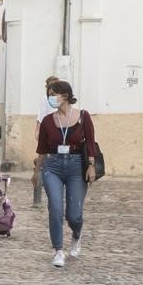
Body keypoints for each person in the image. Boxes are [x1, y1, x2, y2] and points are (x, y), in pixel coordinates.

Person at [32, 80, 97, 268]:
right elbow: (42, 149)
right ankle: (58, 250)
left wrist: (91, 165)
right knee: (55, 208)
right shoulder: (47, 121)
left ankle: (77, 235)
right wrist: (36, 172)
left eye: (54, 94)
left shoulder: (83, 117)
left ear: (66, 95)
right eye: (49, 94)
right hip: (52, 166)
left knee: (74, 215)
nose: (50, 98)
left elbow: (91, 144)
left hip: (77, 166)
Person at [33, 76, 61, 206]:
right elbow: (41, 115)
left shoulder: (62, 98)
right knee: (45, 155)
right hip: (48, 129)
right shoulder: (46, 100)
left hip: (60, 130)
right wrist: (38, 131)